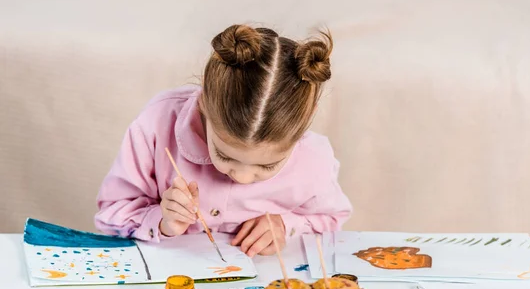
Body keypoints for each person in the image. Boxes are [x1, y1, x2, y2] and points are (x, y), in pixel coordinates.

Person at [95, 24, 352, 257]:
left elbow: (332, 218)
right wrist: (162, 221)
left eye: (267, 166)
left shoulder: (314, 159)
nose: (241, 177)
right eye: (226, 156)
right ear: (204, 98)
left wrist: (286, 224)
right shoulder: (157, 124)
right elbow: (109, 215)